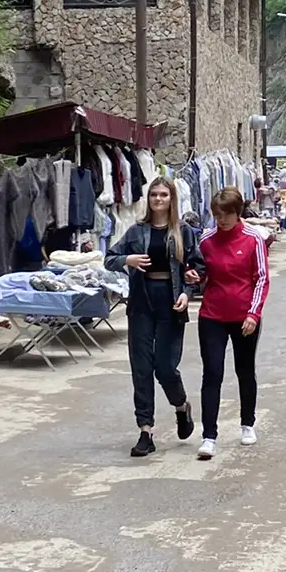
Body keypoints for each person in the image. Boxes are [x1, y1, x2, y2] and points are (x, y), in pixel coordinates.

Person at [107, 176, 197, 458]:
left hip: (170, 303)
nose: (158, 199)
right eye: (154, 195)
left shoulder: (183, 231)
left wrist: (188, 292)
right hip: (142, 302)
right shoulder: (137, 231)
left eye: (163, 195)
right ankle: (145, 430)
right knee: (141, 367)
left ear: (172, 199)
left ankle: (181, 406)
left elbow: (196, 268)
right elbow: (109, 257)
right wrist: (127, 260)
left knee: (166, 367)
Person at [191, 186, 269, 459]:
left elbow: (261, 278)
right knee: (212, 372)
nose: (222, 220)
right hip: (212, 314)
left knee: (245, 370)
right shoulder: (206, 239)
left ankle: (247, 423)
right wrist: (194, 278)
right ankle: (209, 435)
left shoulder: (253, 239)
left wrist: (253, 313)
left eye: (227, 214)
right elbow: (201, 271)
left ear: (238, 214)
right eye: (217, 215)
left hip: (244, 316)